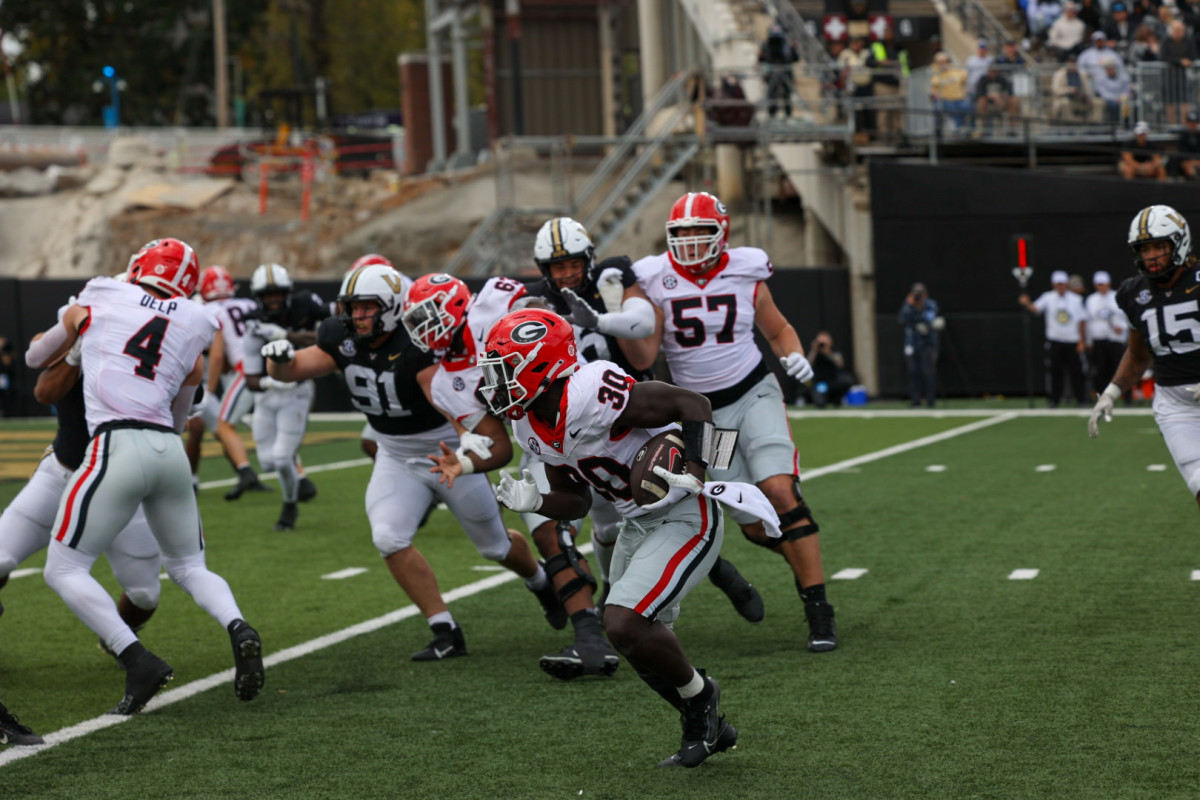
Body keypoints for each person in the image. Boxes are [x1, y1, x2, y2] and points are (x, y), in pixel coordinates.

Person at [481, 308, 781, 768]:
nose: (497, 385)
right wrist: (535, 502)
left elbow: (695, 406)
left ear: (542, 365)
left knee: (624, 621)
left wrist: (694, 471)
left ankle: (703, 701)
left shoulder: (592, 391)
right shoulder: (529, 426)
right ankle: (705, 717)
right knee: (631, 639)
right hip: (635, 523)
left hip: (684, 513)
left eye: (506, 371)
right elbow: (577, 501)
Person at [263, 262, 557, 661]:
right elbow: (292, 370)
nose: (356, 316)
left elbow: (459, 410)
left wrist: (468, 452)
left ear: (391, 306)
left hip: (444, 450)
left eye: (366, 307)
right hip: (395, 454)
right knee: (387, 536)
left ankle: (541, 582)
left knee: (494, 547)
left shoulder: (421, 342)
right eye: (351, 308)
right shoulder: (340, 337)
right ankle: (444, 628)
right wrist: (278, 360)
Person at [23, 237, 263, 715]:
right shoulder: (196, 322)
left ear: (139, 265)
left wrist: (73, 340)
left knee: (63, 568)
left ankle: (136, 658)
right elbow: (180, 419)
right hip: (167, 451)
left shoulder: (101, 294)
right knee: (190, 567)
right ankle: (239, 626)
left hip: (115, 443)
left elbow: (34, 361)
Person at [517, 217, 763, 673]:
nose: (566, 274)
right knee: (616, 526)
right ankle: (615, 620)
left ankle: (719, 572)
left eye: (573, 263)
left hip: (634, 416)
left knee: (695, 494)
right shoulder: (537, 305)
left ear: (588, 259)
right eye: (556, 266)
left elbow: (645, 346)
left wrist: (604, 318)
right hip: (576, 432)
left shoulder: (612, 279)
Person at [633, 191, 839, 653]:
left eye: (698, 232)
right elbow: (645, 352)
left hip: (752, 394)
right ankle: (803, 559)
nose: (688, 242)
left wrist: (794, 355)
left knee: (779, 489)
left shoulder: (746, 270)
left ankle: (818, 607)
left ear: (721, 234)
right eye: (680, 233)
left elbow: (778, 329)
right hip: (705, 416)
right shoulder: (652, 277)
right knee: (751, 521)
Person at [401, 271, 596, 675]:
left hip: (591, 416)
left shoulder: (494, 304)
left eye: (427, 317)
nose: (422, 330)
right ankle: (590, 638)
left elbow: (551, 326)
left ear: (455, 306)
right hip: (540, 439)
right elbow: (500, 446)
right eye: (414, 322)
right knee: (547, 530)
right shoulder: (442, 383)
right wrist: (467, 462)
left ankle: (720, 573)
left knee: (626, 523)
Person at [1, 285, 163, 649]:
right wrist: (74, 354)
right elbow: (44, 390)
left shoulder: (152, 355)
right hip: (64, 470)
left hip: (121, 485)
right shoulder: (77, 335)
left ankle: (118, 638)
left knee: (144, 594)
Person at [1089, 204, 1200, 511]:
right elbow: (1138, 357)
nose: (1150, 256)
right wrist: (1111, 392)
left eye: (1159, 246)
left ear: (1179, 243)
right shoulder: (1134, 293)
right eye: (1144, 248)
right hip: (1177, 407)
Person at [239, 262, 327, 530]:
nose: (274, 300)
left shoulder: (305, 306)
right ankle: (294, 485)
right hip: (268, 397)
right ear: (259, 297)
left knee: (281, 458)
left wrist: (291, 337)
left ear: (288, 293)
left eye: (278, 293)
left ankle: (289, 506)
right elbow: (251, 380)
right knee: (267, 462)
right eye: (268, 295)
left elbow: (325, 337)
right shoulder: (254, 325)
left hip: (297, 394)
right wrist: (275, 381)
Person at [185, 265, 270, 498]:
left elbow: (218, 354)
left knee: (221, 425)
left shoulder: (206, 310)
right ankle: (242, 473)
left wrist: (210, 391)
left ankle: (245, 473)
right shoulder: (250, 304)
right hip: (267, 368)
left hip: (233, 373)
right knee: (217, 425)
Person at [1019, 269, 1089, 407]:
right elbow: (1036, 309)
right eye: (1058, 284)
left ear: (1066, 284)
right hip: (1055, 341)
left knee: (1077, 371)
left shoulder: (1076, 299)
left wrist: (1082, 341)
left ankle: (1081, 399)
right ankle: (1054, 400)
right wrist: (1027, 303)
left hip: (1072, 341)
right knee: (1055, 372)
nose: (1060, 286)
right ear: (1053, 284)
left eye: (1062, 284)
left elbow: (1082, 321)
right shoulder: (1048, 297)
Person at [898, 283, 944, 407]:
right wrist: (909, 305)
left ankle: (930, 400)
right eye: (916, 293)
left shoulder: (930, 304)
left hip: (927, 343)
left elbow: (929, 318)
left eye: (920, 293)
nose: (918, 296)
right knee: (913, 371)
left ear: (925, 294)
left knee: (927, 371)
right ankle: (915, 400)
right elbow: (902, 318)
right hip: (912, 342)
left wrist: (920, 313)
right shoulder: (908, 304)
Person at [1084, 270, 1128, 397]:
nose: (1102, 287)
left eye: (1104, 284)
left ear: (1109, 283)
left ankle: (1127, 397)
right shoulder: (1091, 300)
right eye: (1099, 284)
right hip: (1099, 340)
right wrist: (1088, 341)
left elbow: (1127, 317)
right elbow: (1088, 322)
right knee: (1100, 370)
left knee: (1121, 368)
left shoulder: (1117, 296)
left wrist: (1123, 328)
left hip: (1116, 339)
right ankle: (1101, 395)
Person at [758, 23, 799, 119]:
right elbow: (761, 59)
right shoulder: (766, 45)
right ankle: (772, 115)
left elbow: (795, 58)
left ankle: (788, 116)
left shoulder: (786, 46)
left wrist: (793, 49)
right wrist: (761, 56)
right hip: (771, 75)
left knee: (787, 96)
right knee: (772, 95)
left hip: (785, 74)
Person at [806, 331, 855, 408]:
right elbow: (807, 364)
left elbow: (840, 364)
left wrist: (828, 352)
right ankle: (823, 400)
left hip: (833, 381)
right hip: (819, 382)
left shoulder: (834, 351)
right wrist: (814, 350)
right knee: (820, 404)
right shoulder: (815, 353)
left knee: (847, 380)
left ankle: (836, 399)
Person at [930, 52, 973, 130]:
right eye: (940, 62)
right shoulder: (936, 74)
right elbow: (934, 89)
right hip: (946, 99)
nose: (942, 64)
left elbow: (964, 79)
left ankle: (971, 129)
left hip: (960, 98)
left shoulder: (956, 71)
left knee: (969, 108)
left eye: (944, 61)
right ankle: (959, 128)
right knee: (953, 109)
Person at [972, 64, 1020, 135]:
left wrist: (1001, 97)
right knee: (981, 101)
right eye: (991, 71)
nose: (993, 73)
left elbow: (1010, 93)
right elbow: (980, 94)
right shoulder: (983, 79)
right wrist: (992, 96)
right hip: (988, 103)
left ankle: (1012, 128)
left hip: (1001, 103)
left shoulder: (1003, 79)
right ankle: (984, 128)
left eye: (995, 71)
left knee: (1013, 100)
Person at [1050, 55, 1096, 122]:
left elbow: (1087, 89)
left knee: (1097, 102)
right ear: (1066, 63)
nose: (1072, 64)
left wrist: (1087, 97)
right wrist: (1069, 90)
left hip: (1079, 99)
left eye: (1074, 62)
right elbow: (1055, 90)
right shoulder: (1059, 74)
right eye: (1070, 62)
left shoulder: (1081, 74)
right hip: (1063, 98)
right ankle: (1071, 124)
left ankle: (1094, 126)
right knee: (1064, 102)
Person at [1175, 110, 1200, 179]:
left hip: (1197, 160)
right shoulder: (1183, 136)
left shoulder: (1198, 135)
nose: (1193, 125)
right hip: (1186, 161)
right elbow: (1183, 153)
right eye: (1191, 123)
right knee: (1190, 168)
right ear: (1187, 123)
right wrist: (1192, 161)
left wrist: (1196, 161)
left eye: (1194, 123)